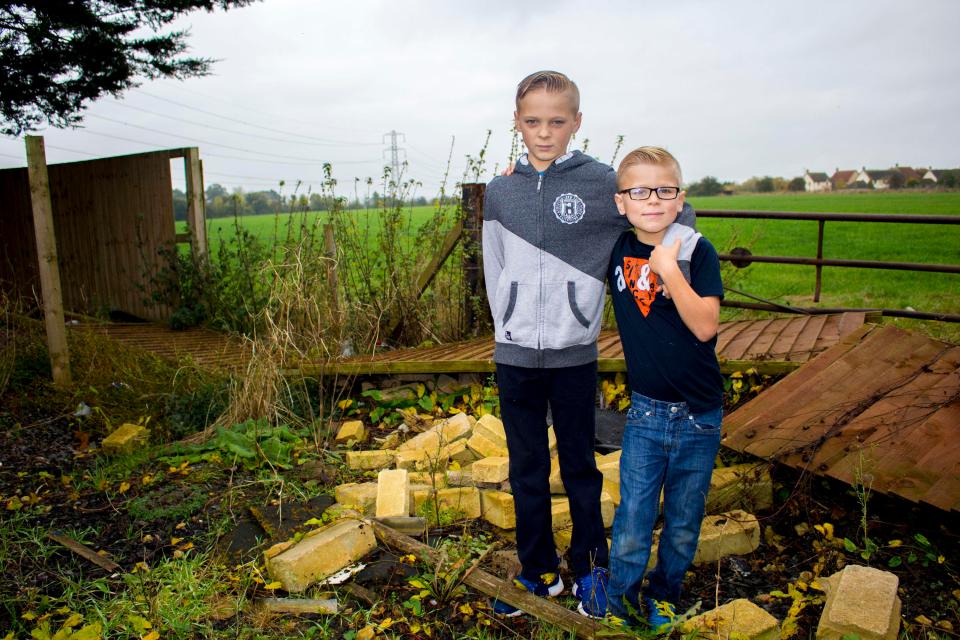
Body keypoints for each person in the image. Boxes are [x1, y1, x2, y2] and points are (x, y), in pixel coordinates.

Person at [482, 70, 695, 619]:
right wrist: (504, 321)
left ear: (577, 122)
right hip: (514, 356)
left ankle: (591, 569)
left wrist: (672, 262)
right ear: (516, 122)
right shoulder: (500, 191)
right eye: (533, 121)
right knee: (526, 466)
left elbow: (672, 209)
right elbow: (494, 266)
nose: (545, 132)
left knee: (579, 465)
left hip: (575, 354)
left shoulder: (603, 184)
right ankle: (536, 573)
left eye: (557, 121)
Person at [604, 146, 724, 630]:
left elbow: (705, 327)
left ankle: (665, 594)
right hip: (646, 414)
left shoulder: (698, 251)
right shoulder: (615, 248)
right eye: (638, 191)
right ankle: (619, 602)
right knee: (633, 515)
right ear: (621, 203)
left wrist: (669, 268)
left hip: (699, 413)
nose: (651, 200)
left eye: (664, 190)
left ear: (680, 199)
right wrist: (522, 175)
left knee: (682, 519)